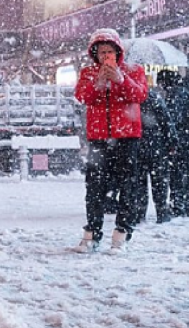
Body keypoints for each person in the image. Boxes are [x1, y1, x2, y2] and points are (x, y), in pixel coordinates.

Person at [73, 29, 148, 252]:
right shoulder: (88, 73)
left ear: (118, 52)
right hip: (99, 138)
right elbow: (82, 97)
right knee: (94, 187)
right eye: (101, 52)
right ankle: (92, 234)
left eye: (109, 51)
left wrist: (121, 80)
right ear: (95, 54)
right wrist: (98, 83)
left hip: (127, 137)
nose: (106, 56)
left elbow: (140, 95)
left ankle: (122, 234)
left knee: (128, 186)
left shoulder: (133, 71)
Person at [132, 87, 174, 225]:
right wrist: (171, 142)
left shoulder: (132, 98)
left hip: (137, 145)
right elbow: (166, 121)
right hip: (156, 145)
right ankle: (161, 212)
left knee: (139, 182)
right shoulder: (155, 98)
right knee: (160, 181)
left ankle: (139, 212)